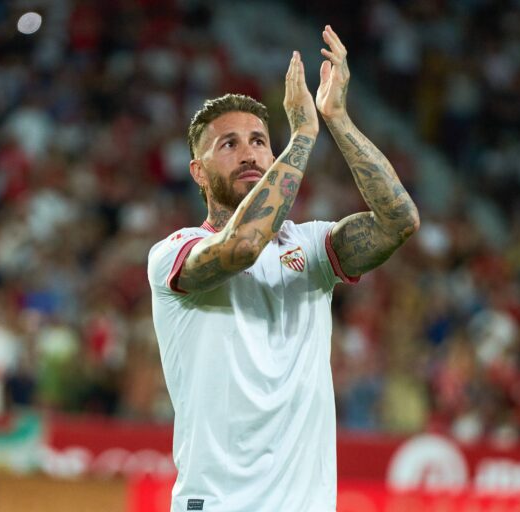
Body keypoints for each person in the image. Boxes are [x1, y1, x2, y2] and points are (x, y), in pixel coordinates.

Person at [147, 25, 419, 512]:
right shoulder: (174, 252)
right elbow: (244, 245)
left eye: (257, 141)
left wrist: (335, 118)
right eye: (228, 144)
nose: (249, 152)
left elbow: (399, 221)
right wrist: (302, 135)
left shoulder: (310, 245)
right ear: (197, 171)